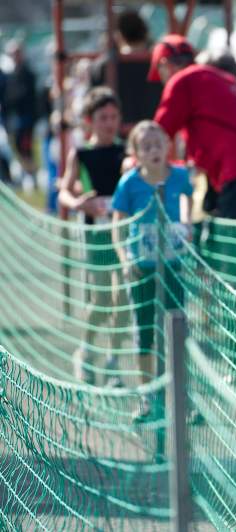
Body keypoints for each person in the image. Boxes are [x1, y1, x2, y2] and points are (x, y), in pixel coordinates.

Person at [150, 34, 236, 220]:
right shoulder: (221, 79)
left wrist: (134, 162)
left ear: (165, 64)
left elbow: (155, 135)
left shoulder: (182, 81)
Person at [111, 120, 193, 420]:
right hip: (141, 269)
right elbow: (117, 225)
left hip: (173, 266)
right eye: (146, 147)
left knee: (177, 331)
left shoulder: (179, 176)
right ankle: (147, 398)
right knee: (144, 332)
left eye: (158, 144)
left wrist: (187, 223)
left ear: (167, 147)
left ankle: (182, 396)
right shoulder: (129, 184)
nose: (154, 150)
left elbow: (187, 199)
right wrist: (124, 259)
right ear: (135, 153)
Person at [58, 87, 129, 385]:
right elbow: (64, 190)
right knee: (101, 298)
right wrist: (79, 203)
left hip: (125, 233)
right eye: (103, 117)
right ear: (90, 120)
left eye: (113, 117)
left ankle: (113, 361)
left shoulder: (127, 152)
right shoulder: (82, 154)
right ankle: (86, 353)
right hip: (96, 234)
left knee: (124, 298)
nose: (109, 123)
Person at [90, 8, 163, 136]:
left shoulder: (103, 66)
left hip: (116, 137)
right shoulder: (162, 64)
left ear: (119, 35)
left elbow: (93, 104)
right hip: (156, 137)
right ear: (145, 32)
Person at [3, 40, 39, 182]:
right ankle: (28, 173)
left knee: (25, 147)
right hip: (16, 117)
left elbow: (23, 95)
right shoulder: (11, 74)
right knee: (18, 147)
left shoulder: (28, 73)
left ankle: (32, 175)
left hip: (27, 118)